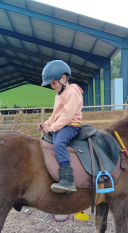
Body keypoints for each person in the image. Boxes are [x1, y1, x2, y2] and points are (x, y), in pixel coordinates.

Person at [38, 60, 83, 193]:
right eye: (51, 84)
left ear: (63, 78)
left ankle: (67, 179)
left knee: (59, 143)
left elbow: (67, 115)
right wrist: (46, 124)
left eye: (54, 83)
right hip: (62, 125)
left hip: (70, 126)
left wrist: (52, 128)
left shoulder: (71, 92)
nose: (52, 86)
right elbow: (55, 115)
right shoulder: (59, 95)